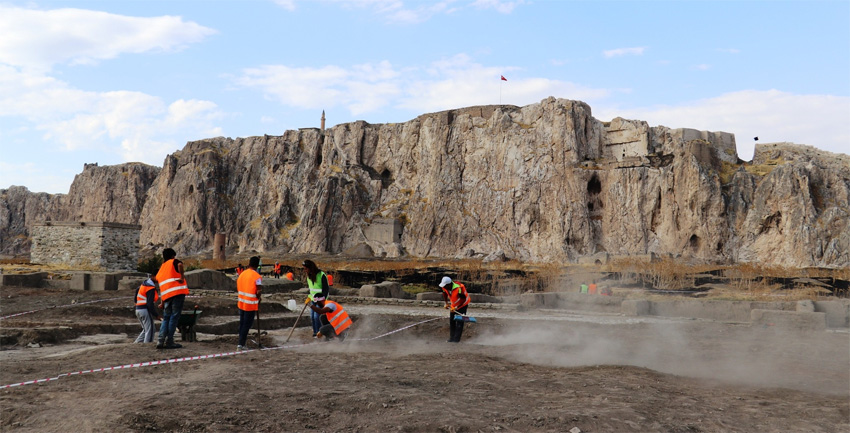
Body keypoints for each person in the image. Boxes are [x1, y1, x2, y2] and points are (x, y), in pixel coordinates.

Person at [153, 248, 189, 349]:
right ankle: (170, 341)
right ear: (172, 256)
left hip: (167, 297)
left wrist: (162, 302)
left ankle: (160, 341)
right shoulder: (174, 262)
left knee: (166, 318)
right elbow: (180, 265)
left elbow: (163, 287)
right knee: (174, 317)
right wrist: (182, 276)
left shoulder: (162, 268)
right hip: (177, 294)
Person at [236, 256, 263, 351]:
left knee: (242, 323)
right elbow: (258, 291)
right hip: (250, 304)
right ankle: (241, 344)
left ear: (249, 263)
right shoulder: (257, 276)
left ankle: (240, 342)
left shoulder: (242, 274)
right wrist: (259, 298)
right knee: (246, 325)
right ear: (257, 265)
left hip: (241, 303)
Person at [302, 259, 330, 337]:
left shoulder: (321, 275)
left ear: (310, 267)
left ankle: (319, 333)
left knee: (317, 317)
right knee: (312, 317)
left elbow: (326, 289)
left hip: (321, 300)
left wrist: (322, 300)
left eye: (306, 268)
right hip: (313, 299)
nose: (305, 270)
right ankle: (315, 333)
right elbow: (312, 290)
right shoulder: (308, 276)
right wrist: (309, 297)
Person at [439, 276, 470, 343]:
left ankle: (456, 340)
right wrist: (446, 303)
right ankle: (451, 338)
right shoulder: (445, 287)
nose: (444, 287)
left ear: (449, 284)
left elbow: (463, 299)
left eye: (445, 286)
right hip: (454, 304)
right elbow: (444, 293)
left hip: (463, 305)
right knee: (452, 320)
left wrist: (456, 307)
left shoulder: (459, 287)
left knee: (459, 321)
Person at [134, 278, 161, 343]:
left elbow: (135, 299)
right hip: (144, 310)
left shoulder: (143, 285)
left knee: (146, 329)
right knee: (150, 330)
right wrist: (156, 315)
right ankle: (147, 345)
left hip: (138, 309)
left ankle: (136, 344)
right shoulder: (150, 288)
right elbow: (150, 304)